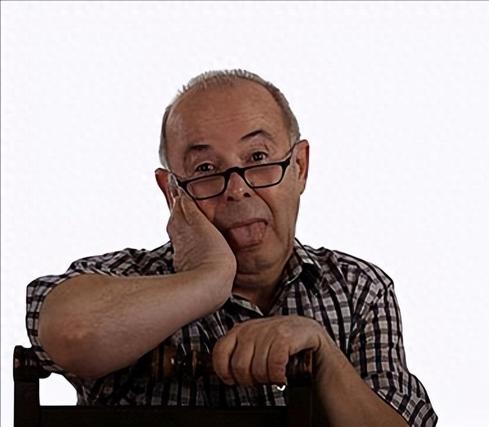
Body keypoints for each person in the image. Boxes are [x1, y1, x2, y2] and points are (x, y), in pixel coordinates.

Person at [25, 69, 438, 426]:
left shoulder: (359, 288)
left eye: (257, 157)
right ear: (172, 192)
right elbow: (71, 331)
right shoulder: (124, 281)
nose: (237, 189)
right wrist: (210, 278)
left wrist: (323, 353)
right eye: (206, 169)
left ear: (299, 167)